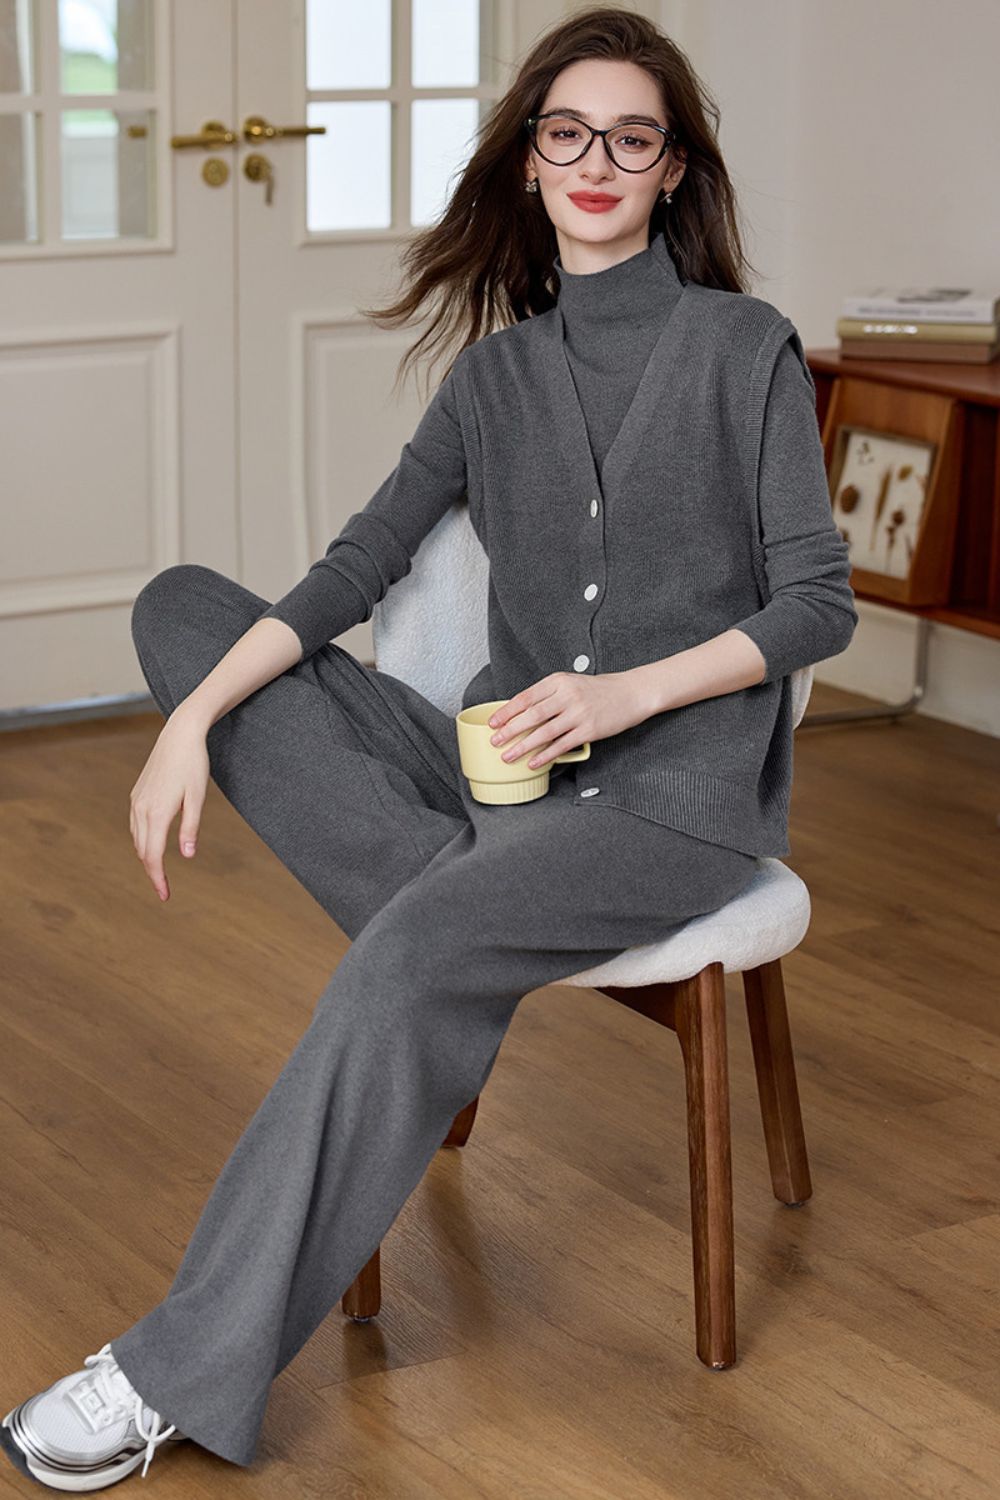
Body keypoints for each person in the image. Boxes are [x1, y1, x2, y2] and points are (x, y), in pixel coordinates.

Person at [1, 7, 857, 1490]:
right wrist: (186, 724)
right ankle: (455, 925)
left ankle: (174, 1370)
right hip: (492, 785)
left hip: (666, 808)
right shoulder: (492, 381)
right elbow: (355, 569)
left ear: (672, 170)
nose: (597, 158)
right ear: (529, 162)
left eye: (633, 136)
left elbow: (818, 604)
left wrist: (625, 698)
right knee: (184, 611)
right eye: (567, 132)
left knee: (409, 952)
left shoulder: (745, 352)